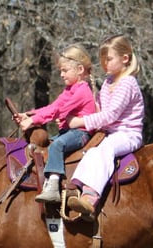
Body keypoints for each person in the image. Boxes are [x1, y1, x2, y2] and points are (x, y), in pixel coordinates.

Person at [65, 35, 144, 217]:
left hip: (127, 134)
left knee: (105, 148)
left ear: (125, 58)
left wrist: (79, 121)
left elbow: (110, 115)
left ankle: (90, 197)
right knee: (90, 151)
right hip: (110, 133)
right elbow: (100, 109)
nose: (104, 64)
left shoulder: (127, 83)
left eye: (109, 59)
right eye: (102, 59)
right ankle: (74, 186)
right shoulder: (108, 82)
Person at [14, 45, 97, 203]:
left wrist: (33, 121)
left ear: (80, 69)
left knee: (56, 146)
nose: (61, 74)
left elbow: (59, 111)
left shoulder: (82, 91)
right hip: (68, 132)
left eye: (65, 70)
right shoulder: (69, 89)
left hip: (81, 133)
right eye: (61, 71)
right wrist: (29, 114)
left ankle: (52, 187)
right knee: (47, 145)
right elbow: (53, 106)